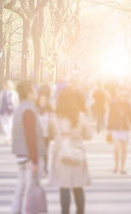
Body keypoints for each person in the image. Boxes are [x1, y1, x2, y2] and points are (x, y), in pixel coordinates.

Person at [49, 86, 93, 214]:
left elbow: (52, 134)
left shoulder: (55, 117)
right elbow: (89, 135)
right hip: (77, 152)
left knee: (64, 187)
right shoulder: (81, 116)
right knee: (78, 187)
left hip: (61, 152)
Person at [11, 81, 47, 214]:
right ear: (29, 93)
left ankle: (15, 210)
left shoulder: (20, 108)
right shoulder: (29, 110)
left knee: (20, 188)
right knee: (30, 190)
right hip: (30, 156)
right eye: (34, 89)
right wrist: (35, 160)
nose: (37, 92)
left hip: (21, 155)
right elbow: (31, 136)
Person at [107, 92, 131, 174]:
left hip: (125, 129)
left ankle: (122, 168)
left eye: (124, 95)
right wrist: (109, 129)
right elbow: (110, 117)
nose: (122, 97)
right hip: (115, 129)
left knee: (124, 150)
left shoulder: (128, 105)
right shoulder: (113, 105)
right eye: (121, 95)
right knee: (117, 149)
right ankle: (116, 166)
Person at [36, 89, 53, 175]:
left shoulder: (49, 111)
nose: (42, 101)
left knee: (45, 152)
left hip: (46, 135)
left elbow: (52, 122)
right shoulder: (35, 110)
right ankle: (39, 168)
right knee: (39, 153)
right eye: (41, 100)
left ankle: (45, 168)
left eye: (44, 100)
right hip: (37, 136)